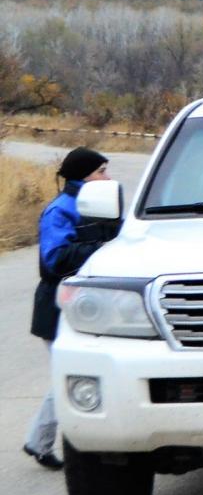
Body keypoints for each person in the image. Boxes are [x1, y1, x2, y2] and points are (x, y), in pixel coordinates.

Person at [25, 147, 118, 469]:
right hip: (57, 306)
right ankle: (39, 442)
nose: (108, 178)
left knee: (71, 377)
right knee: (69, 378)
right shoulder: (61, 211)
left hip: (89, 306)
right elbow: (55, 260)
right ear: (83, 176)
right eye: (101, 171)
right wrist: (104, 249)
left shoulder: (99, 206)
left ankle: (38, 441)